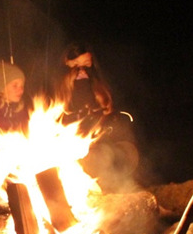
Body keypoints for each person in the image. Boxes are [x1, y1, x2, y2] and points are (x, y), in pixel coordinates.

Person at [52, 41, 138, 193]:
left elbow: (114, 125)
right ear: (66, 66)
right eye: (76, 66)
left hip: (104, 148)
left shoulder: (100, 89)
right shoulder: (56, 97)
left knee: (112, 155)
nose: (82, 71)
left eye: (86, 65)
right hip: (74, 155)